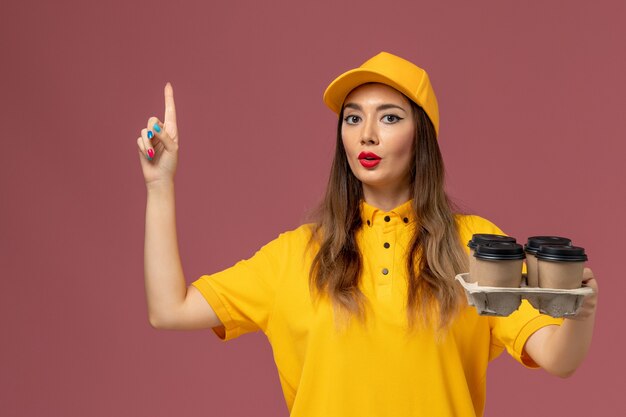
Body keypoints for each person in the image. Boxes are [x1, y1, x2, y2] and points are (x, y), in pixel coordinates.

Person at [136, 52, 599, 416]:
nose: (367, 135)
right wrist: (160, 187)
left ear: (423, 136)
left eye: (391, 117)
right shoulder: (296, 253)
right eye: (353, 118)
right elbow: (168, 309)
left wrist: (579, 310)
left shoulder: (475, 246)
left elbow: (559, 359)